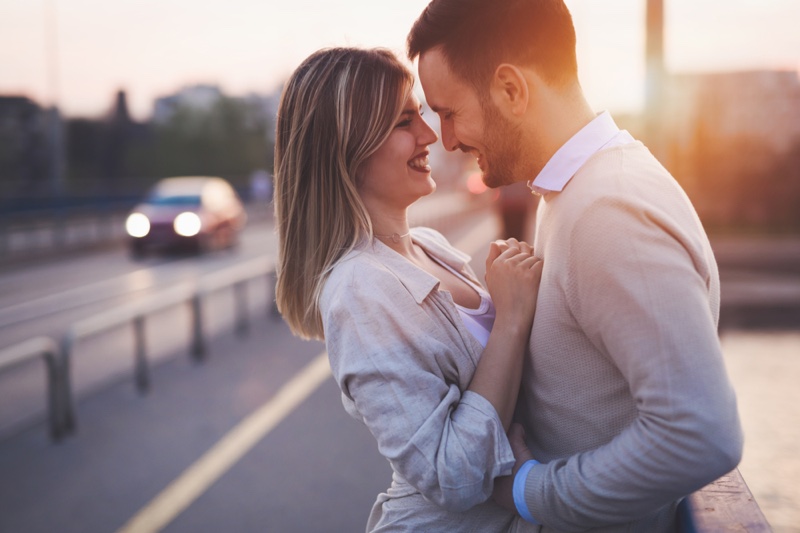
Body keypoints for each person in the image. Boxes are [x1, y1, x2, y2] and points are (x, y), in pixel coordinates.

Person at [407, 1, 744, 531]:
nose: (446, 140)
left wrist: (526, 489)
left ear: (511, 89)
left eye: (449, 113)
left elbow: (699, 434)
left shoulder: (609, 211)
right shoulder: (573, 192)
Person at [274, 47, 543, 532]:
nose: (429, 136)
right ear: (348, 147)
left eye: (419, 113)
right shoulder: (359, 289)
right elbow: (453, 476)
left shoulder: (430, 246)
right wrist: (512, 318)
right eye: (404, 122)